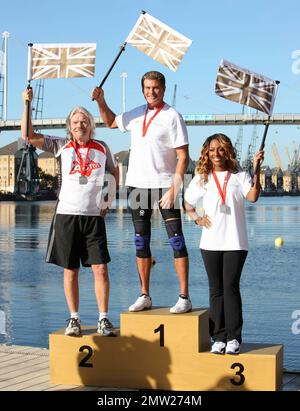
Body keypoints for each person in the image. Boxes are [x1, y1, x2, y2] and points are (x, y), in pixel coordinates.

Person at [91, 71, 192, 314]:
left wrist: (174, 188)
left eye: (156, 88)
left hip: (165, 185)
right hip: (137, 184)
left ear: (163, 89)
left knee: (176, 240)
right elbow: (110, 122)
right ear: (143, 89)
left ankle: (184, 297)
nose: (151, 92)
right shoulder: (136, 113)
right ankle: (145, 295)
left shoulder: (173, 117)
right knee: (140, 241)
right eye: (147, 88)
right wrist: (101, 101)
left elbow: (184, 156)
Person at [21, 88, 119, 337]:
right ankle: (74, 319)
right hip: (67, 214)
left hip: (93, 217)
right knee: (70, 270)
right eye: (75, 122)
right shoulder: (61, 145)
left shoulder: (102, 147)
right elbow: (27, 136)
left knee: (101, 269)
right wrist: (26, 104)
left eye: (84, 121)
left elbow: (115, 172)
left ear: (91, 126)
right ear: (69, 127)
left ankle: (103, 319)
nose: (80, 125)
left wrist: (108, 199)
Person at [184, 133, 263, 354]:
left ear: (227, 151)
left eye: (220, 149)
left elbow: (253, 197)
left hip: (235, 242)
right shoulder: (202, 178)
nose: (216, 154)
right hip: (210, 242)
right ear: (206, 153)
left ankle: (233, 337)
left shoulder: (239, 176)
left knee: (230, 287)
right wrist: (197, 218)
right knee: (215, 290)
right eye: (211, 150)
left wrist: (256, 168)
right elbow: (187, 204)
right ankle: (217, 337)